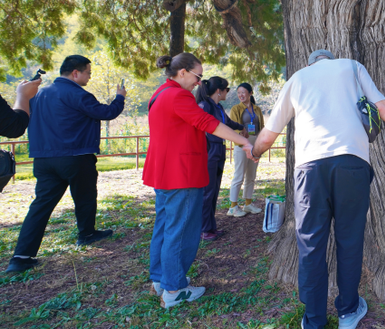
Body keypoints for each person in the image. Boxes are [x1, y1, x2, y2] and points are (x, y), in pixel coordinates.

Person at [250, 49, 385, 329]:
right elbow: (384, 108)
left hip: (310, 169)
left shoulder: (297, 79)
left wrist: (255, 152)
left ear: (311, 62)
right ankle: (349, 312)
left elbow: (269, 134)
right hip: (353, 163)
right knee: (350, 238)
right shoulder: (352, 68)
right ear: (330, 59)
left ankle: (313, 327)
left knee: (311, 243)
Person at [143, 54, 253, 308]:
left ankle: (162, 278)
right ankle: (174, 289)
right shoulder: (178, 96)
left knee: (164, 226)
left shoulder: (159, 93)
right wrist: (244, 141)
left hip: (163, 172)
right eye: (197, 76)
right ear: (182, 72)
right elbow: (207, 123)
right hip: (181, 173)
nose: (199, 83)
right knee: (181, 229)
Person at [5, 55, 126, 274]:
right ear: (75, 73)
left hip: (43, 158)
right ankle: (86, 234)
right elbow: (107, 113)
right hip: (75, 155)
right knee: (86, 196)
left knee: (41, 206)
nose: (89, 77)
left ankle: (20, 257)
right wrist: (120, 97)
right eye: (88, 72)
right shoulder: (77, 94)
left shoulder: (38, 94)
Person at [195, 77, 245, 241]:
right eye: (227, 89)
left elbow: (227, 123)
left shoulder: (218, 107)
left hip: (219, 150)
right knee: (207, 192)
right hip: (209, 151)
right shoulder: (205, 106)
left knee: (214, 190)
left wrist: (241, 127)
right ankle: (203, 229)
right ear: (219, 91)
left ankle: (210, 227)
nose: (228, 92)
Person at [227, 83, 264, 217]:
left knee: (251, 176)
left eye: (243, 92)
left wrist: (261, 145)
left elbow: (262, 128)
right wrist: (242, 142)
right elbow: (234, 128)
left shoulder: (257, 109)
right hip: (241, 144)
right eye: (239, 93)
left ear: (250, 93)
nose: (241, 95)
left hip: (255, 143)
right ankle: (233, 206)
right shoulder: (235, 109)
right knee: (239, 175)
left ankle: (248, 204)